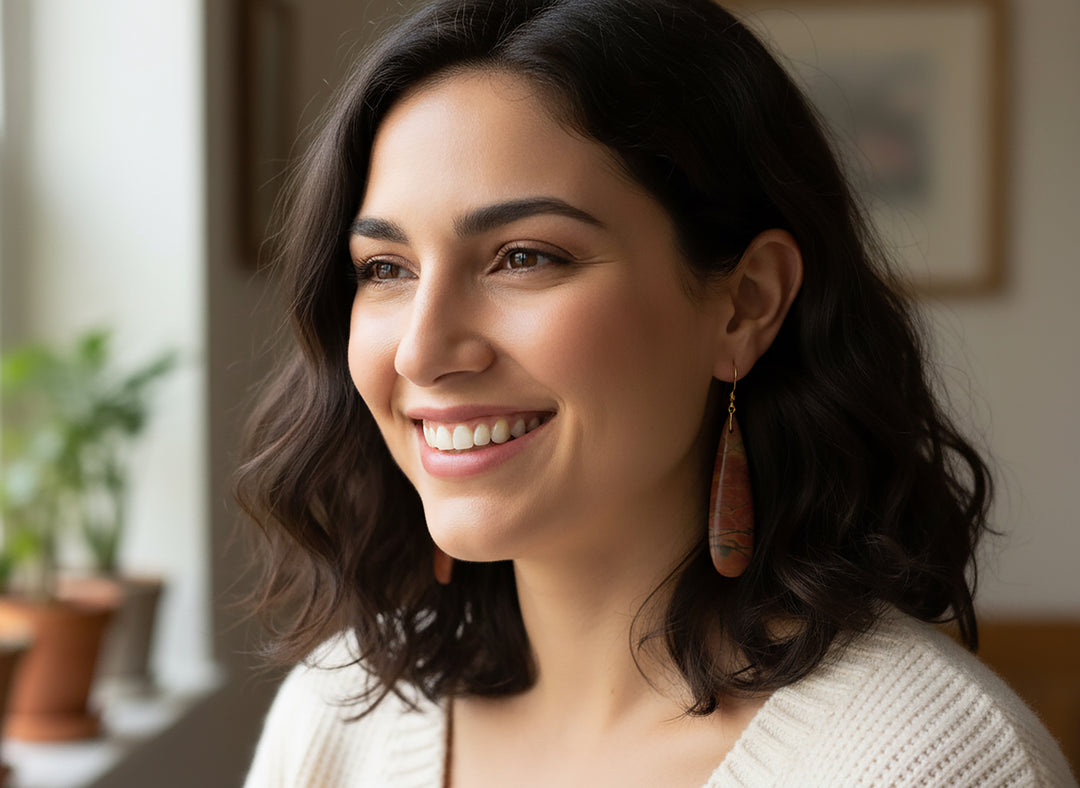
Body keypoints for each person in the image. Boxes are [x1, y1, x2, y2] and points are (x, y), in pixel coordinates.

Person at [237, 0, 1075, 785]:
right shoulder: (339, 714)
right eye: (385, 269)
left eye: (525, 256)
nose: (422, 350)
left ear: (746, 303)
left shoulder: (926, 765)